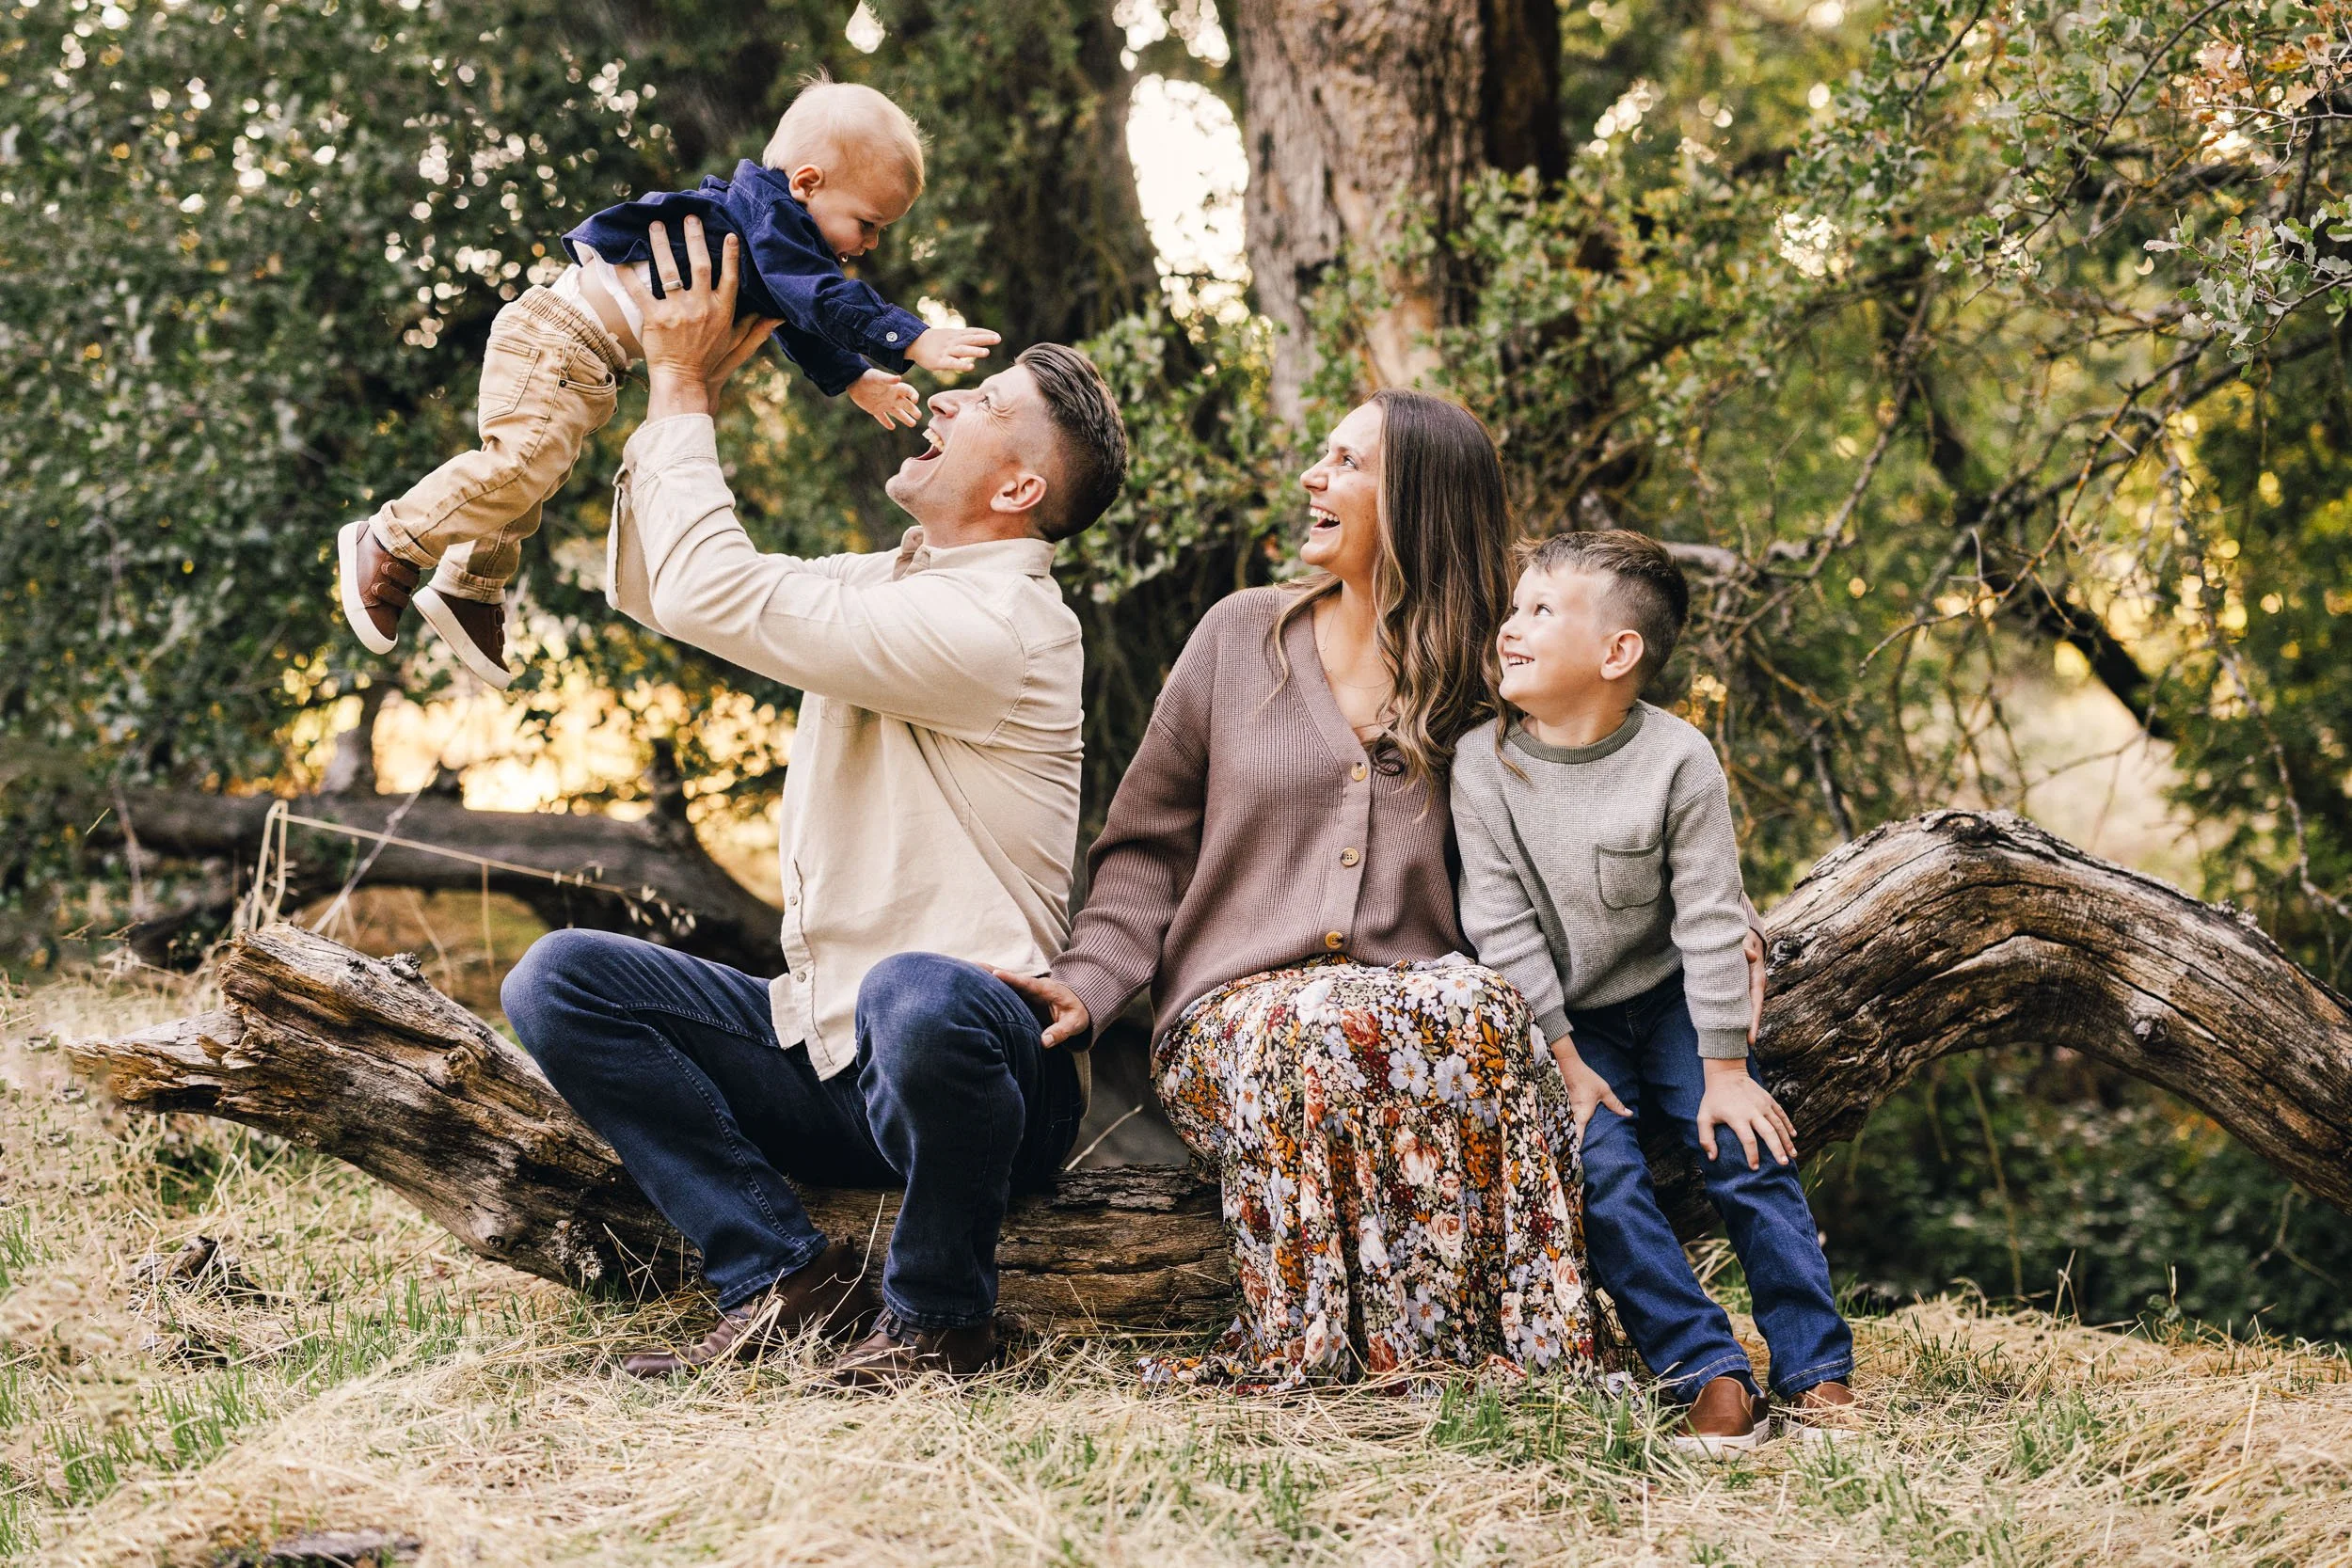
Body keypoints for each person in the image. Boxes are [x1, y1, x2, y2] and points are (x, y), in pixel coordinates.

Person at [499, 215, 1130, 1388]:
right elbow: (662, 585)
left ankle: (942, 1319)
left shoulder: (994, 626)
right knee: (562, 980)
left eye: (981, 401)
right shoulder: (888, 583)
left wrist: (681, 380)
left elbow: (711, 586)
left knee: (917, 989)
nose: (943, 402)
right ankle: (781, 1275)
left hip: (984, 1067)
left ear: (1021, 483)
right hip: (833, 1048)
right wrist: (692, 390)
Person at [995, 391, 1600, 1391]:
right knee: (1312, 1022)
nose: (1313, 479)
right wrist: (1092, 980)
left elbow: (1605, 799)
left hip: (1413, 1010)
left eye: (1346, 463)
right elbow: (1146, 843)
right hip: (1236, 1020)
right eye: (1321, 458)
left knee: (1482, 1003)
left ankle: (1515, 1355)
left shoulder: (1491, 673)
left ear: (1417, 503)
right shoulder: (1240, 637)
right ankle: (1316, 1353)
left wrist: (1718, 925)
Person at [337, 77, 1000, 689]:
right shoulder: (770, 221)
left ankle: (470, 585)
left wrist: (857, 377)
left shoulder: (776, 243)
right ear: (806, 182)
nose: (871, 245)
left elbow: (797, 319)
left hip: (586, 355)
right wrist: (910, 336)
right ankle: (392, 536)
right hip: (560, 335)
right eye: (869, 223)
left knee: (534, 474)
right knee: (521, 462)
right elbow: (823, 299)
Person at [1449, 529, 1856, 1451]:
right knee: (1602, 1173)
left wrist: (1722, 1069)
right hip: (1568, 1018)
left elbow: (1711, 916)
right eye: (1513, 607)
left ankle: (1815, 1370)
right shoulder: (1484, 765)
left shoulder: (1678, 760)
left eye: (1540, 610)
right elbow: (1502, 924)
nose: (1510, 626)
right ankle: (1709, 1371)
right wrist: (1563, 1059)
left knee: (1746, 1149)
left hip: (1673, 998)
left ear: (1616, 651)